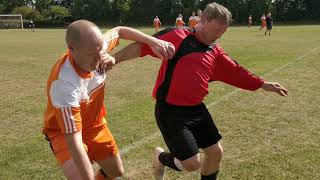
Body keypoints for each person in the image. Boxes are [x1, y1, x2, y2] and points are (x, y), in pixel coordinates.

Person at [112, 2, 288, 180]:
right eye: (216, 30)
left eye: (223, 32)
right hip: (170, 111)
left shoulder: (215, 51)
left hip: (197, 110)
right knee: (192, 164)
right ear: (203, 20)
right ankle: (160, 158)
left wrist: (262, 84)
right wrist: (112, 60)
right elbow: (140, 47)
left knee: (215, 153)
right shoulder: (178, 35)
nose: (218, 35)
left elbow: (236, 71)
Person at [43, 20, 175, 180]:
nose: (100, 58)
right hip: (64, 133)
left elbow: (119, 31)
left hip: (95, 124)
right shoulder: (64, 84)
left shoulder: (96, 47)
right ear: (72, 48)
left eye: (101, 51)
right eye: (92, 54)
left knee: (116, 171)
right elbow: (75, 143)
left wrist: (154, 41)